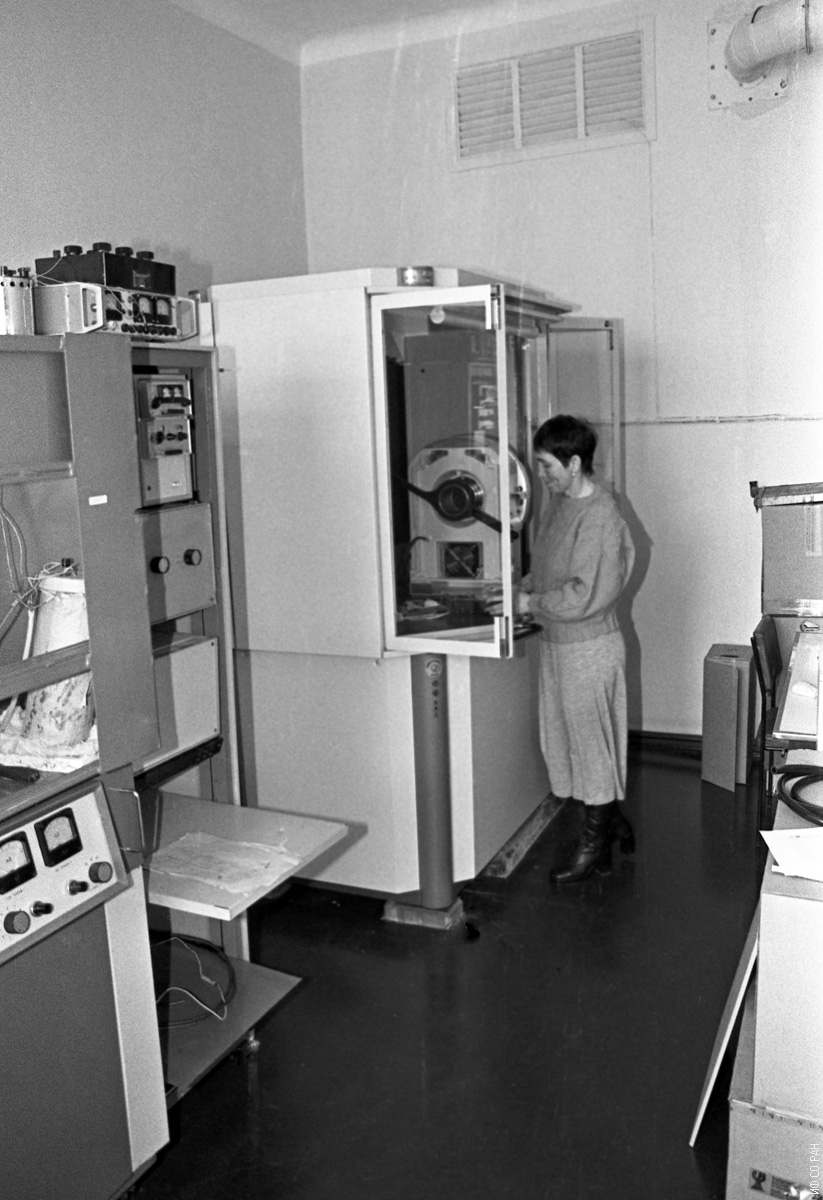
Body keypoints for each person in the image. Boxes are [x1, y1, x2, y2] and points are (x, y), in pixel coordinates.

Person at [516, 414, 636, 885]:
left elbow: (586, 594)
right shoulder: (560, 503)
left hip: (588, 650)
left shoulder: (601, 515)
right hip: (558, 644)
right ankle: (611, 826)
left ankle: (593, 843)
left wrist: (530, 603)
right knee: (571, 744)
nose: (541, 475)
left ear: (573, 463)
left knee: (591, 748)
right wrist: (523, 588)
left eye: (547, 466)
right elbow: (549, 569)